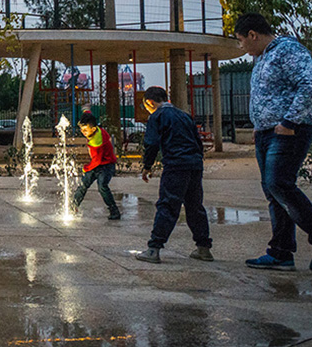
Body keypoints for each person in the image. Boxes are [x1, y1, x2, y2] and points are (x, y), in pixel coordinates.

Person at [235, 12, 312, 272]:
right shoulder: (262, 58)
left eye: (241, 40)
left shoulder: (288, 50)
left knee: (279, 184)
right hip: (267, 132)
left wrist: (289, 122)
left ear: (253, 35)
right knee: (272, 191)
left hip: (289, 131)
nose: (241, 47)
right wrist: (259, 125)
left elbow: (309, 86)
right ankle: (281, 253)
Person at [136, 86, 212, 264]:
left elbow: (151, 143)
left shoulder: (157, 116)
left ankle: (154, 248)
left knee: (168, 205)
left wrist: (147, 166)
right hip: (194, 164)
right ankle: (204, 248)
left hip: (175, 164)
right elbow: (197, 141)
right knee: (195, 206)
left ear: (150, 102)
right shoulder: (184, 115)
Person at [72, 112, 122, 219]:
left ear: (94, 128)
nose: (83, 132)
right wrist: (86, 110)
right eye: (81, 129)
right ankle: (73, 206)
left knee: (102, 187)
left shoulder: (96, 141)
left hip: (106, 165)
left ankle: (114, 211)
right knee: (83, 185)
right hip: (98, 163)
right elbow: (88, 114)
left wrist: (85, 168)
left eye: (85, 130)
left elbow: (96, 161)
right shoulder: (95, 129)